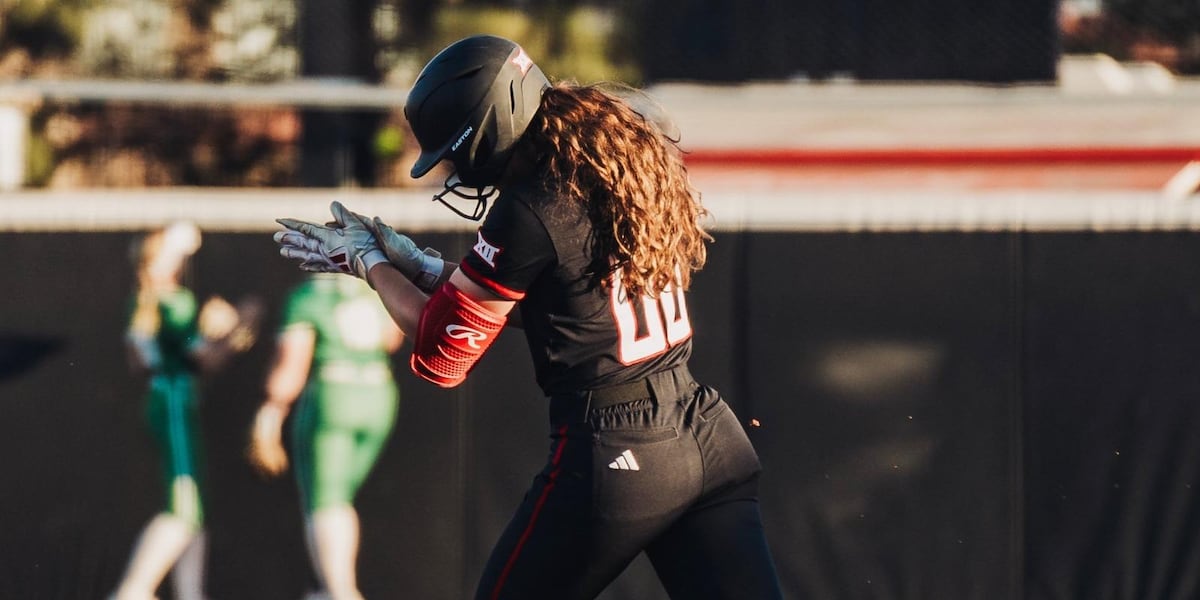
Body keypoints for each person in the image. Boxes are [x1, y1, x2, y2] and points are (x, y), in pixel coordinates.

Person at [273, 35, 783, 599]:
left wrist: (369, 263)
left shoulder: (533, 204)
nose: (455, 170)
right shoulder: (617, 163)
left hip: (619, 445)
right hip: (708, 431)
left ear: (488, 130)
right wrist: (418, 265)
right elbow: (557, 307)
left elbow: (443, 353)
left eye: (455, 151)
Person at [113, 222, 261, 600]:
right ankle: (133, 590)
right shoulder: (168, 300)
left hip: (172, 401)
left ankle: (190, 593)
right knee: (183, 506)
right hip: (174, 402)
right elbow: (205, 358)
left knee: (193, 508)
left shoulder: (150, 301)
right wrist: (239, 328)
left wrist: (221, 333)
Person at [248, 273, 403, 600]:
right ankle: (329, 587)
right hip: (379, 395)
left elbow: (290, 370)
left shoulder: (308, 297)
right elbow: (393, 338)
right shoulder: (373, 293)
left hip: (334, 395)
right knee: (340, 500)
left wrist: (269, 415)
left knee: (326, 500)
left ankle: (340, 591)